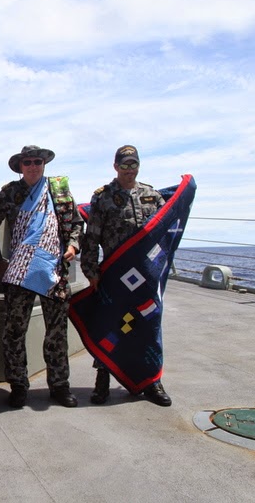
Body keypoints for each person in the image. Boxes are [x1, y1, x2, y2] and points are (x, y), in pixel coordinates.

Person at [0, 146, 83, 409]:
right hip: (19, 273)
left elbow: (76, 224)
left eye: (37, 161)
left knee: (57, 332)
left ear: (44, 164)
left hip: (53, 271)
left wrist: (73, 245)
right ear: (20, 166)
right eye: (27, 162)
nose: (33, 166)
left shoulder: (59, 191)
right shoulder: (9, 192)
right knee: (14, 332)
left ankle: (60, 386)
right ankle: (18, 386)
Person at [81, 145, 170, 406]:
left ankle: (152, 381)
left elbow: (165, 235)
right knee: (112, 326)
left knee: (148, 327)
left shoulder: (152, 196)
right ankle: (102, 381)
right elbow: (91, 237)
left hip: (146, 277)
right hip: (115, 274)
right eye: (124, 165)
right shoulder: (103, 197)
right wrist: (91, 271)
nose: (129, 170)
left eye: (133, 164)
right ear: (115, 167)